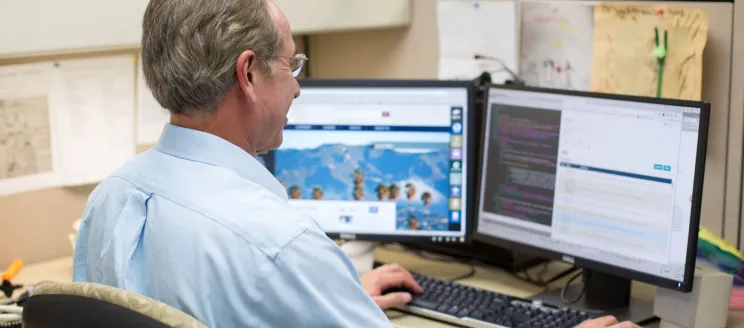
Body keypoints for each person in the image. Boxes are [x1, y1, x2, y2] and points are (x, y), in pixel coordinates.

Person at [71, 0, 638, 327]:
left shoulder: (112, 198)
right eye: (289, 65)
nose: (296, 88)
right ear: (248, 75)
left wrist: (334, 298)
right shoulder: (284, 246)